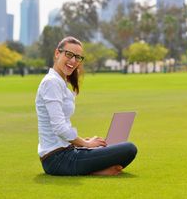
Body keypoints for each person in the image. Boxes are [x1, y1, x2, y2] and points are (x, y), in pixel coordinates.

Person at [35, 36, 137, 176]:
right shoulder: (51, 82)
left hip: (67, 151)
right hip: (58, 159)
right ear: (57, 53)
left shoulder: (59, 82)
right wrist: (86, 144)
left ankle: (96, 169)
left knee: (110, 146)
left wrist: (84, 141)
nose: (73, 61)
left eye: (77, 57)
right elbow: (59, 127)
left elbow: (63, 127)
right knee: (129, 149)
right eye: (69, 55)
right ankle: (96, 172)